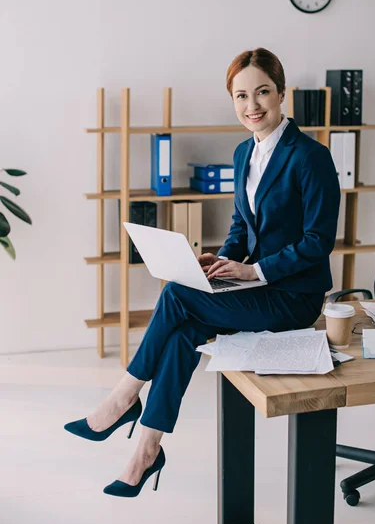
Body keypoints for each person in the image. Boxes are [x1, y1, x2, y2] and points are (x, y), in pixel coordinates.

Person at [64, 47, 341, 498]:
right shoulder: (241, 153)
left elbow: (317, 242)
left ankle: (122, 399)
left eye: (263, 93)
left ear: (282, 93)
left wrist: (254, 272)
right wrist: (218, 261)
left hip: (292, 297)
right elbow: (241, 225)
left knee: (176, 297)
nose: (252, 106)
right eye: (241, 96)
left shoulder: (311, 157)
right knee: (182, 330)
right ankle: (147, 449)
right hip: (252, 284)